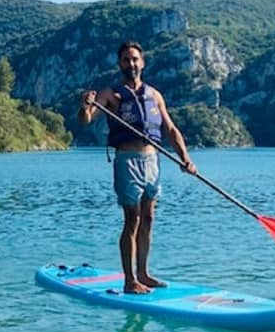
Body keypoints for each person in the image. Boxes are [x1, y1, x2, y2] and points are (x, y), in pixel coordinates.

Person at [79, 41, 197, 294]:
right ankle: (129, 279)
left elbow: (171, 129)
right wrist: (85, 104)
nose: (130, 64)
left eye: (134, 59)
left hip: (153, 161)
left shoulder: (154, 95)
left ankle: (144, 273)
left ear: (142, 63)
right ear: (120, 64)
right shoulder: (110, 93)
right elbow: (87, 119)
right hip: (127, 161)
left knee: (149, 218)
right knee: (131, 219)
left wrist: (186, 158)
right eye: (125, 60)